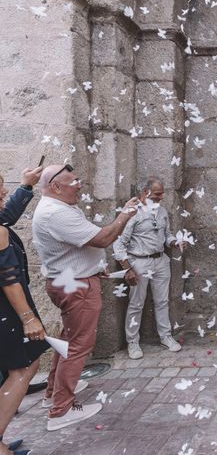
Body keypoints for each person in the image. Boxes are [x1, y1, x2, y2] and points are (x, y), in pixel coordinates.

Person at [32, 164, 139, 431]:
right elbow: (103, 238)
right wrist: (124, 215)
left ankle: (52, 393)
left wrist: (93, 269)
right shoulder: (55, 212)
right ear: (56, 187)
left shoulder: (59, 206)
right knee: (78, 345)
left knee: (68, 339)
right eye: (73, 182)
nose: (80, 185)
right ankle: (62, 411)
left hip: (70, 279)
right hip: (77, 285)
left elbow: (76, 246)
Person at [0, 167, 50, 455]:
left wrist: (25, 186)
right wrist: (29, 319)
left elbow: (6, 216)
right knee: (23, 367)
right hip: (7, 313)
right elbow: (8, 279)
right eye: (1, 188)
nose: (4, 192)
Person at [113, 177, 184, 360]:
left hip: (160, 261)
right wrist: (127, 268)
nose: (162, 197)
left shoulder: (162, 212)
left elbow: (166, 234)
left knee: (162, 301)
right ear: (145, 192)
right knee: (136, 303)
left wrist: (175, 242)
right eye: (158, 193)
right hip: (139, 262)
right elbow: (119, 243)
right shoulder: (131, 213)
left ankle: (165, 336)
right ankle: (132, 342)